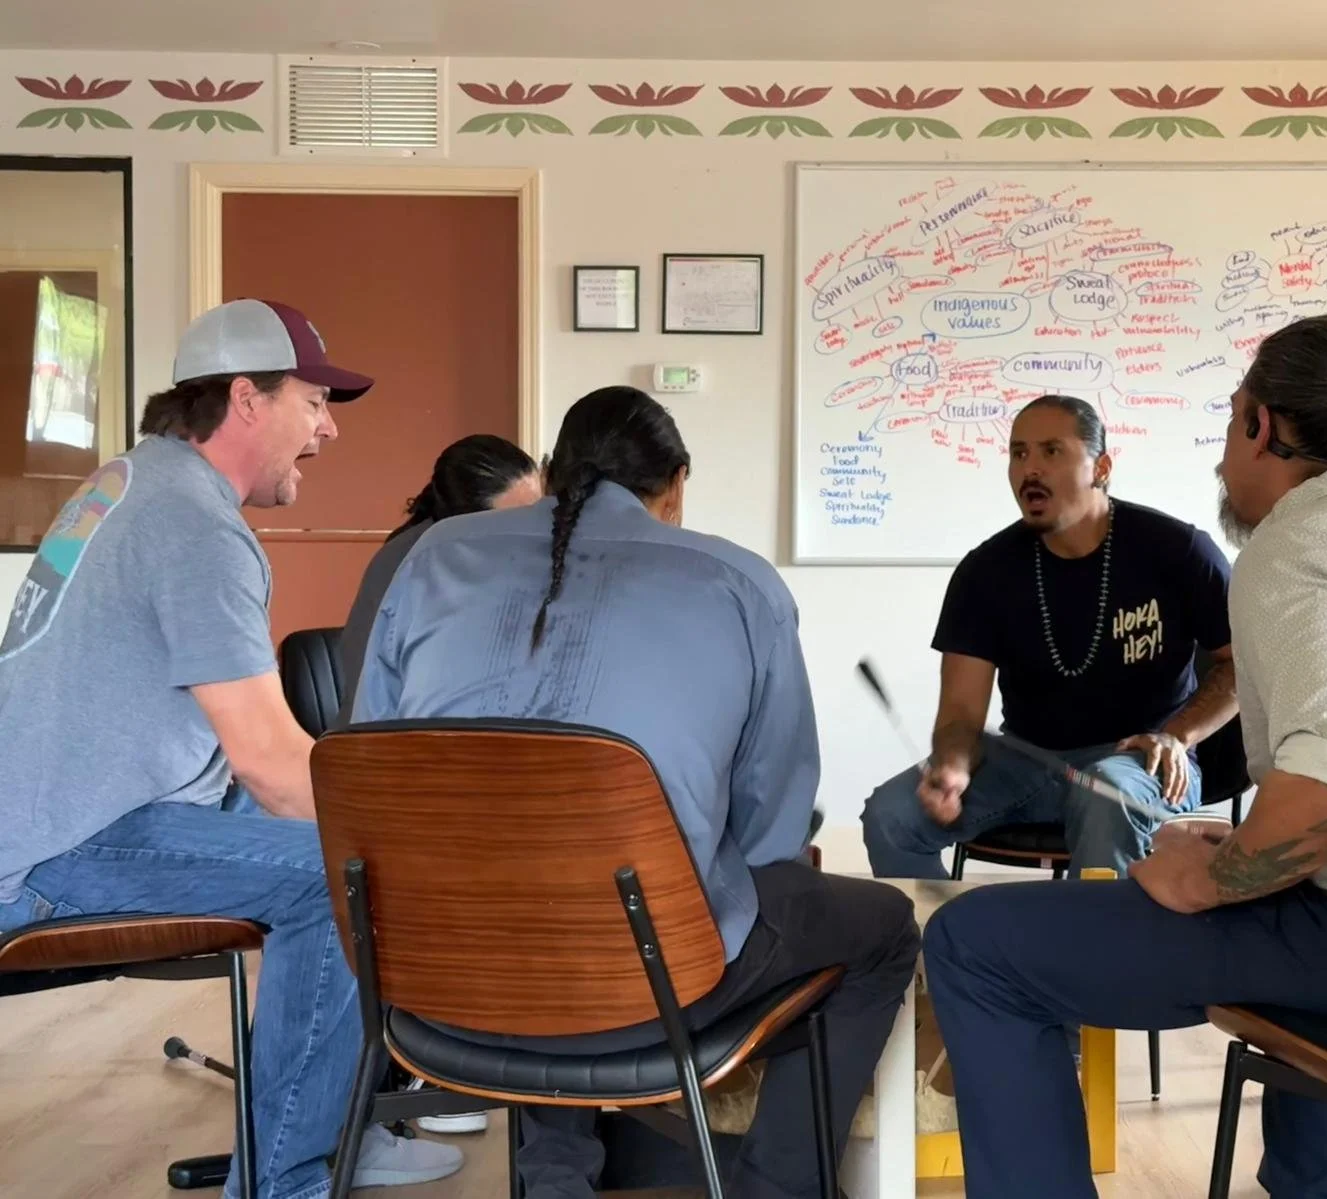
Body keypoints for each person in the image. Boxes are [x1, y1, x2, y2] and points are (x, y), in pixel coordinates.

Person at [922, 315, 1327, 1199]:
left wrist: (1211, 881)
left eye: (1228, 426)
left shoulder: (1298, 543)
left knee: (971, 943)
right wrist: (1258, 856)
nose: (1224, 457)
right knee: (1293, 895)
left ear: (1261, 425)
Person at [352, 385, 921, 1199]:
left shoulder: (433, 557)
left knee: (547, 885)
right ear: (677, 483)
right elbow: (770, 832)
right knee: (884, 928)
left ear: (549, 472)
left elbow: (372, 764)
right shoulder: (739, 583)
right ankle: (775, 1187)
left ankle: (556, 1180)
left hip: (434, 981)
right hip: (646, 987)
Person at [0, 298, 462, 1199]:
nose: (328, 428)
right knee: (346, 878)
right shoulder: (195, 525)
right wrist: (412, 835)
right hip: (60, 847)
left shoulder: (130, 481)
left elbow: (237, 754)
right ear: (246, 399)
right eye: (314, 402)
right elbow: (270, 763)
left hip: (68, 809)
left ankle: (347, 1103)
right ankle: (287, 1179)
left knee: (351, 846)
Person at [861, 394, 1238, 882]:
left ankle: (1098, 956)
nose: (1029, 469)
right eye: (1019, 453)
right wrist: (951, 767)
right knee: (891, 815)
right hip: (1027, 762)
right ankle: (940, 950)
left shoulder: (1179, 550)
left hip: (1139, 763)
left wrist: (1177, 735)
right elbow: (960, 715)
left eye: (1051, 451)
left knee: (1107, 796)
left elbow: (1238, 668)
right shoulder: (985, 571)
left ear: (1100, 466)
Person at [336, 433, 544, 729]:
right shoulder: (409, 563)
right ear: (463, 525)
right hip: (388, 745)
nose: (528, 533)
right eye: (511, 523)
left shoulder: (495, 560)